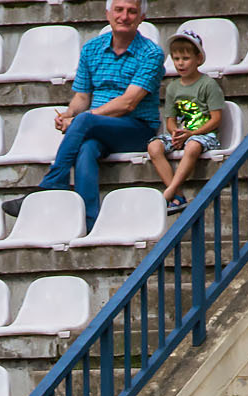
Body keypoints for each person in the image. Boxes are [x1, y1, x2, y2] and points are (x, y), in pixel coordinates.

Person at [30, 0, 164, 226]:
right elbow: (82, 97)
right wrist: (68, 114)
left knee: (85, 122)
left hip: (137, 128)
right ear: (108, 14)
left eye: (132, 11)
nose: (124, 16)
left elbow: (128, 103)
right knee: (85, 148)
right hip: (98, 128)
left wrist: (84, 118)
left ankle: (52, 183)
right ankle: (87, 222)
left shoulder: (152, 54)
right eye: (119, 10)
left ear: (142, 17)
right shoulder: (91, 49)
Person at [147, 28, 222, 214]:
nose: (181, 63)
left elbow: (216, 119)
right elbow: (170, 120)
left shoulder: (208, 84)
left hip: (203, 135)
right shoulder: (173, 87)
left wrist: (192, 134)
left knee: (193, 146)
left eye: (186, 58)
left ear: (198, 59)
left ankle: (170, 191)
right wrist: (175, 133)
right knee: (154, 147)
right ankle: (178, 194)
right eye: (176, 59)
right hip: (182, 135)